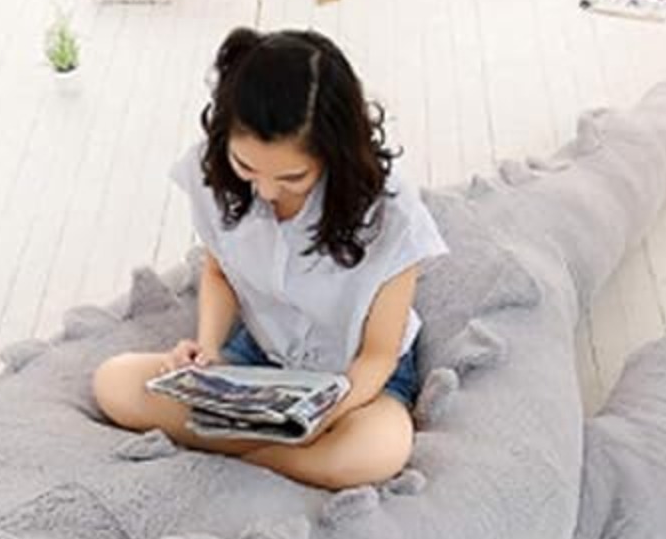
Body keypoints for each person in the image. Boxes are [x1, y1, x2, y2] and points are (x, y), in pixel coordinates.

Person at [93, 26, 449, 490]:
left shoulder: (390, 214)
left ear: (333, 153)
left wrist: (321, 418)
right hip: (258, 363)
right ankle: (284, 455)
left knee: (374, 454)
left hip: (356, 382)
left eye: (292, 177)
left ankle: (243, 451)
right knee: (114, 384)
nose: (263, 190)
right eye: (246, 167)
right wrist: (208, 351)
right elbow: (218, 272)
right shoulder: (214, 172)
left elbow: (378, 355)